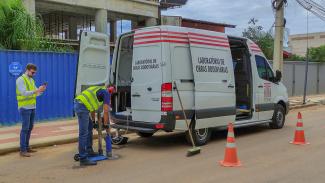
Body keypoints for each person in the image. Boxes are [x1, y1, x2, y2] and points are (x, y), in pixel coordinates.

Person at [74, 85, 111, 166]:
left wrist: (93, 121)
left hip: (81, 104)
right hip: (82, 107)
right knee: (83, 133)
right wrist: (105, 124)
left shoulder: (97, 90)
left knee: (90, 127)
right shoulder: (106, 93)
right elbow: (105, 111)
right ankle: (83, 158)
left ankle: (89, 151)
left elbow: (92, 108)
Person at [16, 63, 46, 157]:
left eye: (35, 73)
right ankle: (22, 150)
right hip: (24, 108)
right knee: (25, 129)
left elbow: (36, 93)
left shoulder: (31, 80)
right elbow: (24, 93)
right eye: (33, 72)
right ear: (28, 70)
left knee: (30, 128)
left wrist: (41, 90)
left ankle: (27, 147)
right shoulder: (20, 79)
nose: (34, 74)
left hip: (32, 107)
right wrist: (36, 91)